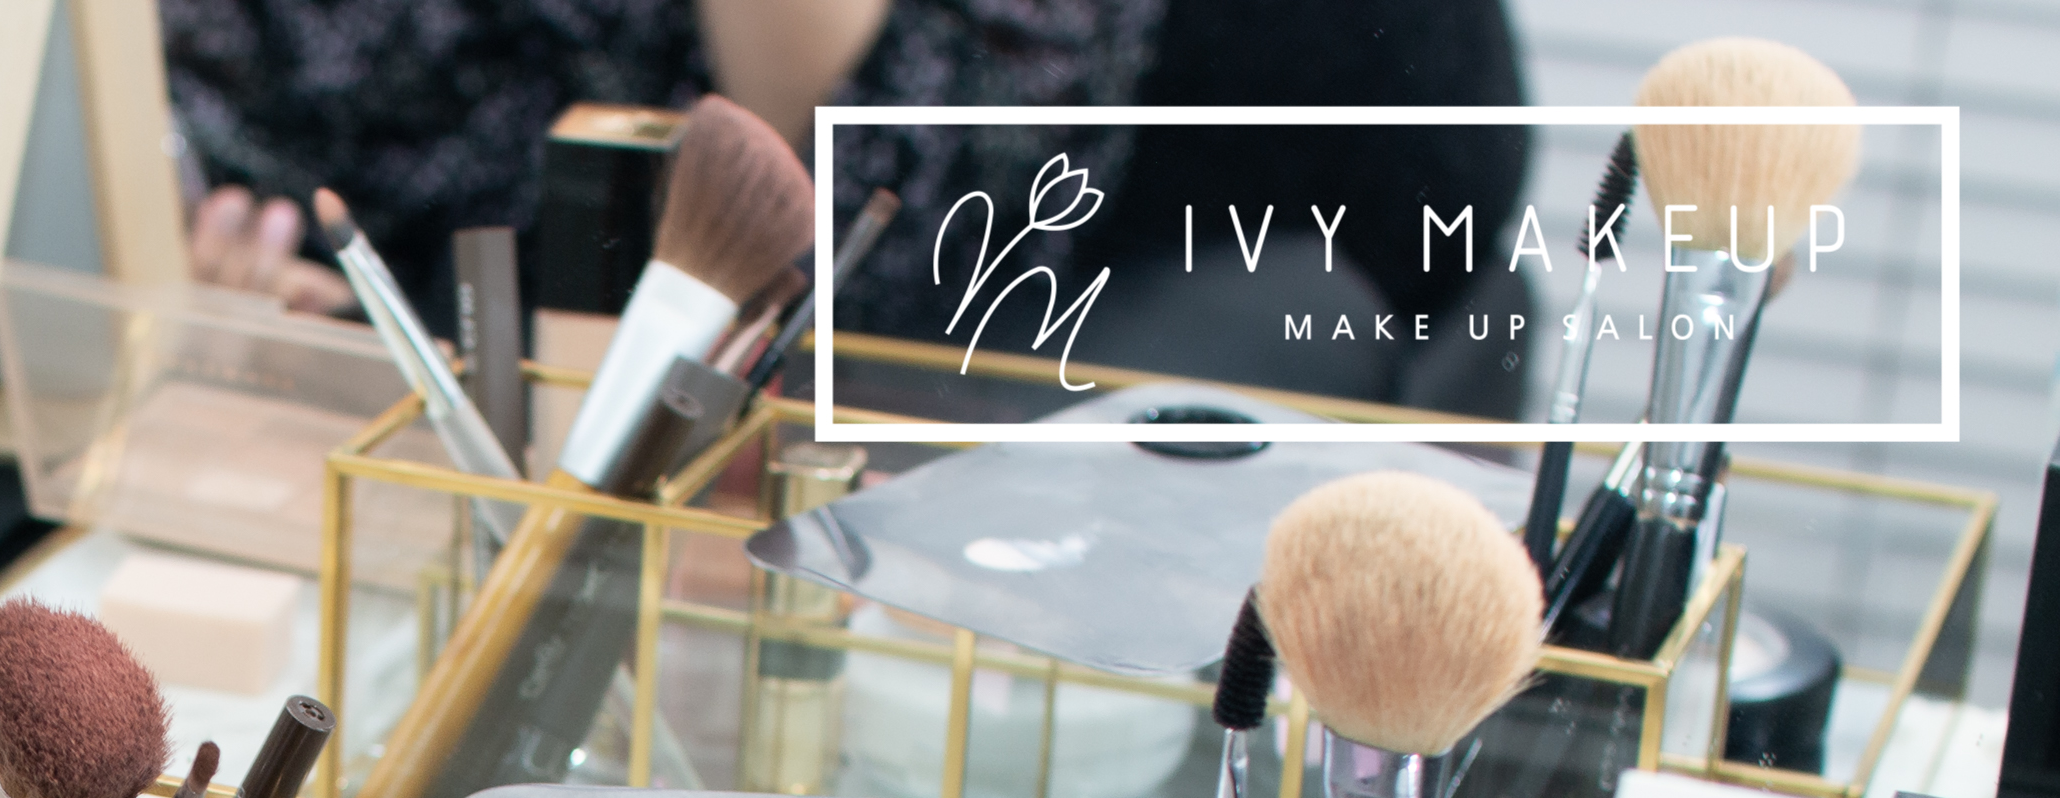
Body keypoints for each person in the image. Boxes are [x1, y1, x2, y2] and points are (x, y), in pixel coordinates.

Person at [169, 0, 1538, 413]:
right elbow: (211, 150)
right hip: (417, 412)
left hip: (991, 331)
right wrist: (237, 276)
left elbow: (856, 275)